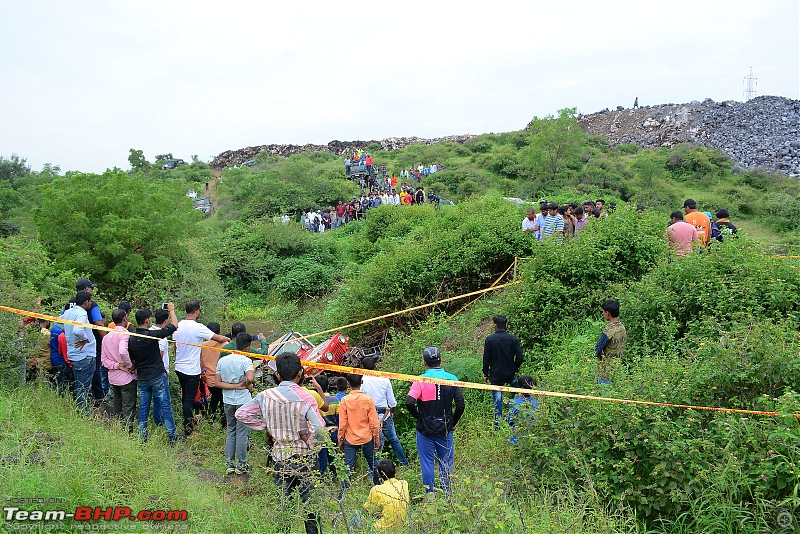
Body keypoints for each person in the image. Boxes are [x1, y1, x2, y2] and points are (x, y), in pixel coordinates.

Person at [235, 352, 325, 534]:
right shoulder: (306, 397)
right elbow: (320, 428)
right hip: (305, 458)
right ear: (300, 373)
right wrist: (312, 443)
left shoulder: (265, 396)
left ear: (277, 375)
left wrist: (266, 426)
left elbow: (241, 414)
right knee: (311, 507)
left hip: (280, 457)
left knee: (284, 504)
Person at [405, 347, 465, 494]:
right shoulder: (452, 379)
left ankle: (430, 496)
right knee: (445, 463)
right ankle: (446, 494)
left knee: (427, 464)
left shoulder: (420, 380)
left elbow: (409, 402)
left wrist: (419, 418)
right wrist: (453, 423)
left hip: (425, 429)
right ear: (441, 360)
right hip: (445, 428)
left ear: (424, 363)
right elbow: (461, 404)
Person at [172, 300, 230, 437]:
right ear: (197, 311)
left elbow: (175, 347)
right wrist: (229, 340)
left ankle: (188, 424)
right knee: (188, 400)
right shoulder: (198, 327)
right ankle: (188, 430)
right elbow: (217, 337)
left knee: (185, 397)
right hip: (191, 370)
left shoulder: (178, 325)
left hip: (179, 367)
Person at [129, 304, 179, 443]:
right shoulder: (152, 335)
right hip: (157, 375)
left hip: (142, 377)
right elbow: (174, 325)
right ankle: (172, 437)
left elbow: (132, 359)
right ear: (146, 321)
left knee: (144, 408)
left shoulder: (131, 338)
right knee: (165, 406)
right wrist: (171, 310)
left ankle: (142, 437)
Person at [216, 333, 255, 475]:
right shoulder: (246, 361)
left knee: (231, 430)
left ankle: (229, 464)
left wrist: (233, 386)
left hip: (228, 400)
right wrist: (245, 384)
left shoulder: (223, 360)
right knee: (242, 432)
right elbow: (250, 377)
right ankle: (241, 465)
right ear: (247, 347)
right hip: (243, 401)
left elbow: (217, 383)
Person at [360, 357, 409, 466]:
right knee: (394, 440)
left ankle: (373, 471)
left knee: (376, 445)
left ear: (362, 368)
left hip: (371, 419)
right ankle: (404, 463)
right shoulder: (384, 379)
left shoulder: (362, 382)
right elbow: (392, 401)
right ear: (375, 366)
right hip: (385, 416)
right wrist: (392, 411)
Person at [338, 373, 381, 496]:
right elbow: (374, 423)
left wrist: (340, 440)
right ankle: (378, 488)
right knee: (373, 463)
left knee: (348, 467)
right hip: (367, 437)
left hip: (350, 439)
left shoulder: (344, 401)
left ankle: (342, 496)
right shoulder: (368, 400)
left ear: (348, 384)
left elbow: (343, 424)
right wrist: (376, 438)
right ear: (361, 383)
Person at [60, 291, 98, 415]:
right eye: (90, 302)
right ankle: (83, 413)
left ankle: (80, 410)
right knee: (83, 388)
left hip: (74, 355)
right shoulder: (81, 314)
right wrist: (83, 339)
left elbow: (57, 323)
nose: (90, 304)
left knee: (79, 385)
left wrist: (68, 334)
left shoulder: (68, 312)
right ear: (86, 302)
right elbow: (78, 330)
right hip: (84, 356)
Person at [482, 314, 524, 425]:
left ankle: (497, 425)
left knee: (497, 399)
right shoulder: (513, 338)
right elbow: (520, 357)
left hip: (495, 374)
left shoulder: (490, 339)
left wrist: (486, 373)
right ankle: (513, 419)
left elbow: (486, 358)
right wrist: (514, 367)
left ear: (495, 326)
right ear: (506, 325)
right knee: (516, 395)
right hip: (510, 373)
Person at [100, 309, 137, 431]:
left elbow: (104, 360)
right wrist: (128, 365)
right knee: (128, 406)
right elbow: (122, 351)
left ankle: (119, 429)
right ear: (124, 319)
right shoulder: (125, 334)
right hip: (126, 378)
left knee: (117, 404)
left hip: (113, 378)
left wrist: (117, 365)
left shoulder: (106, 337)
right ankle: (127, 431)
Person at [363, 459, 409, 530]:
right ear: (395, 470)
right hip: (402, 526)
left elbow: (368, 511)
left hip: (382, 529)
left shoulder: (376, 489)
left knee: (355, 515)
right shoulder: (404, 484)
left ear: (379, 475)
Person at [200, 321, 226, 429]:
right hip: (223, 379)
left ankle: (211, 419)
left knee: (215, 398)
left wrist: (203, 375)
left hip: (210, 380)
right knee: (222, 399)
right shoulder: (225, 345)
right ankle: (222, 421)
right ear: (219, 332)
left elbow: (200, 363)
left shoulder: (203, 345)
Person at [595, 299, 627, 384]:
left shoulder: (609, 330)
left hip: (605, 370)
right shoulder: (622, 327)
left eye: (603, 312)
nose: (603, 314)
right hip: (617, 367)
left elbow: (597, 349)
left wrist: (600, 353)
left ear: (607, 313)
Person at [507, 375, 539, 444]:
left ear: (520, 388)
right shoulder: (537, 404)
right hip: (534, 440)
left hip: (517, 439)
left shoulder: (514, 403)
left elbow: (510, 421)